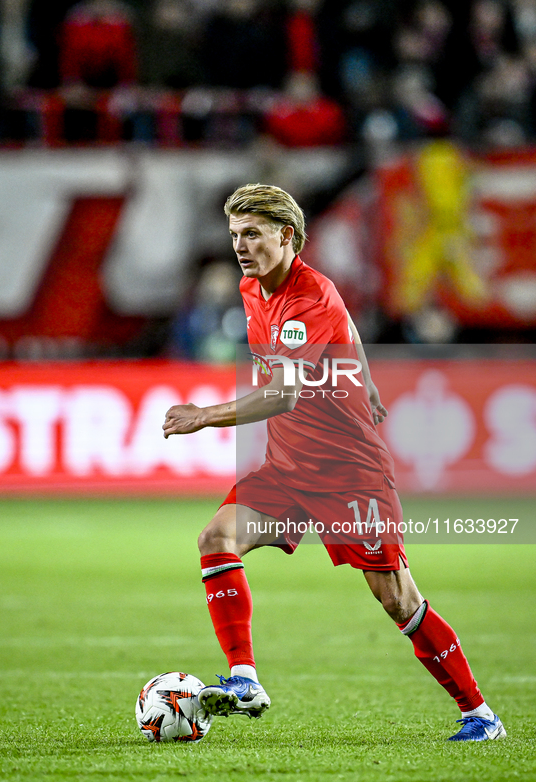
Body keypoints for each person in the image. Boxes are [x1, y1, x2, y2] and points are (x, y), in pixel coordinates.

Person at [162, 183, 505, 742]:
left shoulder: (307, 296)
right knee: (217, 538)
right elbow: (349, 332)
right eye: (234, 235)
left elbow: (283, 394)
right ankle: (245, 678)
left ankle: (480, 715)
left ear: (287, 236)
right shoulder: (254, 289)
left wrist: (204, 415)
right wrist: (365, 383)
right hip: (290, 468)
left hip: (349, 474)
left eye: (252, 234)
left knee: (397, 598)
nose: (240, 246)